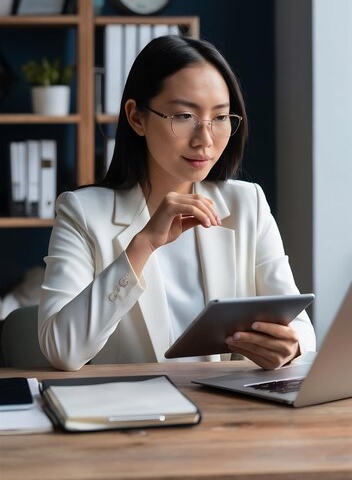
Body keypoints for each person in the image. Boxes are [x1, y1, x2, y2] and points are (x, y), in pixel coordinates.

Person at [38, 35, 316, 371]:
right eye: (184, 116)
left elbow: (300, 325)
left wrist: (292, 346)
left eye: (220, 117)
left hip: (230, 413)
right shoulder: (82, 212)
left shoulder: (247, 204)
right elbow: (62, 350)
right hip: (135, 413)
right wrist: (142, 246)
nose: (205, 139)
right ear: (137, 118)